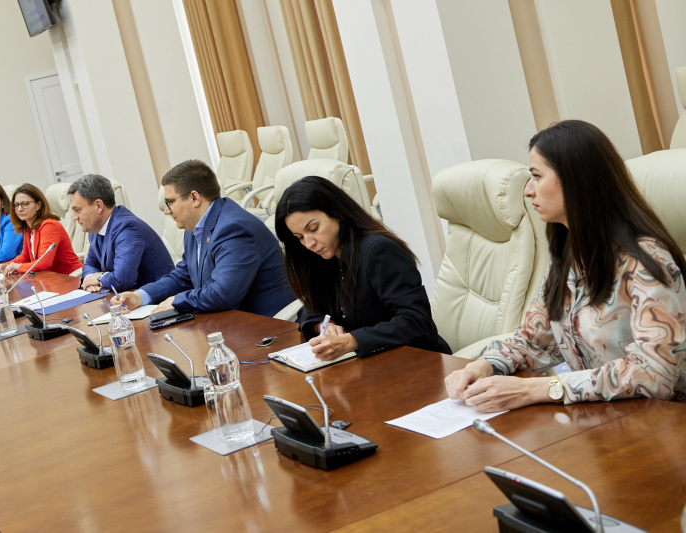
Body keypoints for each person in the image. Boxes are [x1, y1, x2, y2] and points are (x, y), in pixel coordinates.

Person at [445, 120, 686, 411]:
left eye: (536, 176)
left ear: (575, 180)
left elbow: (654, 374)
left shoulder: (646, 262)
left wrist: (540, 388)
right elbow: (533, 342)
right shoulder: (570, 257)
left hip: (665, 425)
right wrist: (484, 365)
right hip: (605, 421)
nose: (528, 191)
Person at [274, 176, 451, 361]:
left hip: (418, 363)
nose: (308, 243)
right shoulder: (324, 256)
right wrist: (323, 325)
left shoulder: (379, 251)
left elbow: (416, 322)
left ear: (337, 213)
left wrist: (352, 340)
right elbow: (311, 306)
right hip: (373, 365)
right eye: (299, 237)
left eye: (313, 228)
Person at [112, 159, 294, 316]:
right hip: (227, 321)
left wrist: (177, 301)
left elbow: (223, 293)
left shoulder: (233, 229)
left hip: (266, 328)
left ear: (194, 198)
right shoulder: (194, 228)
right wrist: (141, 296)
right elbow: (182, 276)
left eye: (170, 202)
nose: (166, 211)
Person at [68, 174, 174, 293]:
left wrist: (98, 277)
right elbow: (89, 264)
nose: (75, 217)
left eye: (78, 210)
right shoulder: (95, 227)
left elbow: (122, 280)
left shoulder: (128, 228)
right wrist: (89, 279)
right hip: (127, 298)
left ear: (98, 206)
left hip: (158, 299)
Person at [0, 183, 83, 276]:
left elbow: (44, 263)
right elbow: (25, 257)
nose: (19, 209)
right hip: (49, 279)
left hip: (70, 278)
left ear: (38, 205)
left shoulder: (49, 226)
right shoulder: (29, 227)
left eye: (25, 204)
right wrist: (7, 264)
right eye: (16, 205)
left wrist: (18, 267)